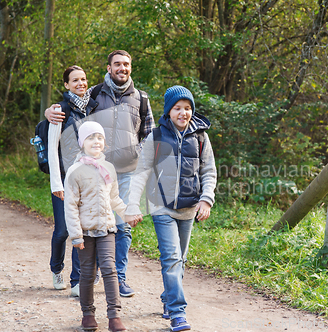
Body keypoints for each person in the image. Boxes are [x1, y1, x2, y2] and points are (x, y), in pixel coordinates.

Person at [46, 50, 155, 297]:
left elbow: (150, 134)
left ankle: (118, 278)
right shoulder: (94, 94)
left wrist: (136, 152)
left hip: (126, 172)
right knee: (86, 224)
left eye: (126, 64)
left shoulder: (142, 98)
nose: (122, 68)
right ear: (108, 68)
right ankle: (87, 272)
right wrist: (49, 112)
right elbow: (70, 104)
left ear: (131, 67)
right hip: (93, 172)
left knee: (122, 226)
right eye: (117, 64)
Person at [125, 86, 217, 332]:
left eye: (187, 108)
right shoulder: (155, 137)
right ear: (168, 111)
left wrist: (206, 199)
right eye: (178, 108)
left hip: (188, 209)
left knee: (181, 258)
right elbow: (141, 172)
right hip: (161, 207)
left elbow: (208, 171)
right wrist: (133, 205)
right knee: (172, 258)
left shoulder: (200, 137)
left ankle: (168, 297)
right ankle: (178, 312)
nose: (183, 113)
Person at [65, 121, 140, 331]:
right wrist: (76, 235)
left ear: (104, 143)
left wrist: (127, 215)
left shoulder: (109, 168)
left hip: (107, 228)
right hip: (86, 232)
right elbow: (70, 206)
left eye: (99, 138)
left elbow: (114, 198)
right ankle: (87, 313)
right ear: (82, 143)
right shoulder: (75, 171)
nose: (96, 142)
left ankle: (114, 315)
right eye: (90, 138)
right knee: (87, 273)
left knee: (109, 268)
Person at [48, 65, 99, 297]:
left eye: (84, 79)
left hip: (87, 182)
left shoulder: (93, 107)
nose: (81, 83)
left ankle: (78, 280)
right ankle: (56, 269)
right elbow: (52, 150)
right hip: (64, 181)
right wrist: (56, 184)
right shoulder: (60, 111)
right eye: (75, 80)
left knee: (83, 230)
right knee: (62, 231)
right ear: (66, 85)